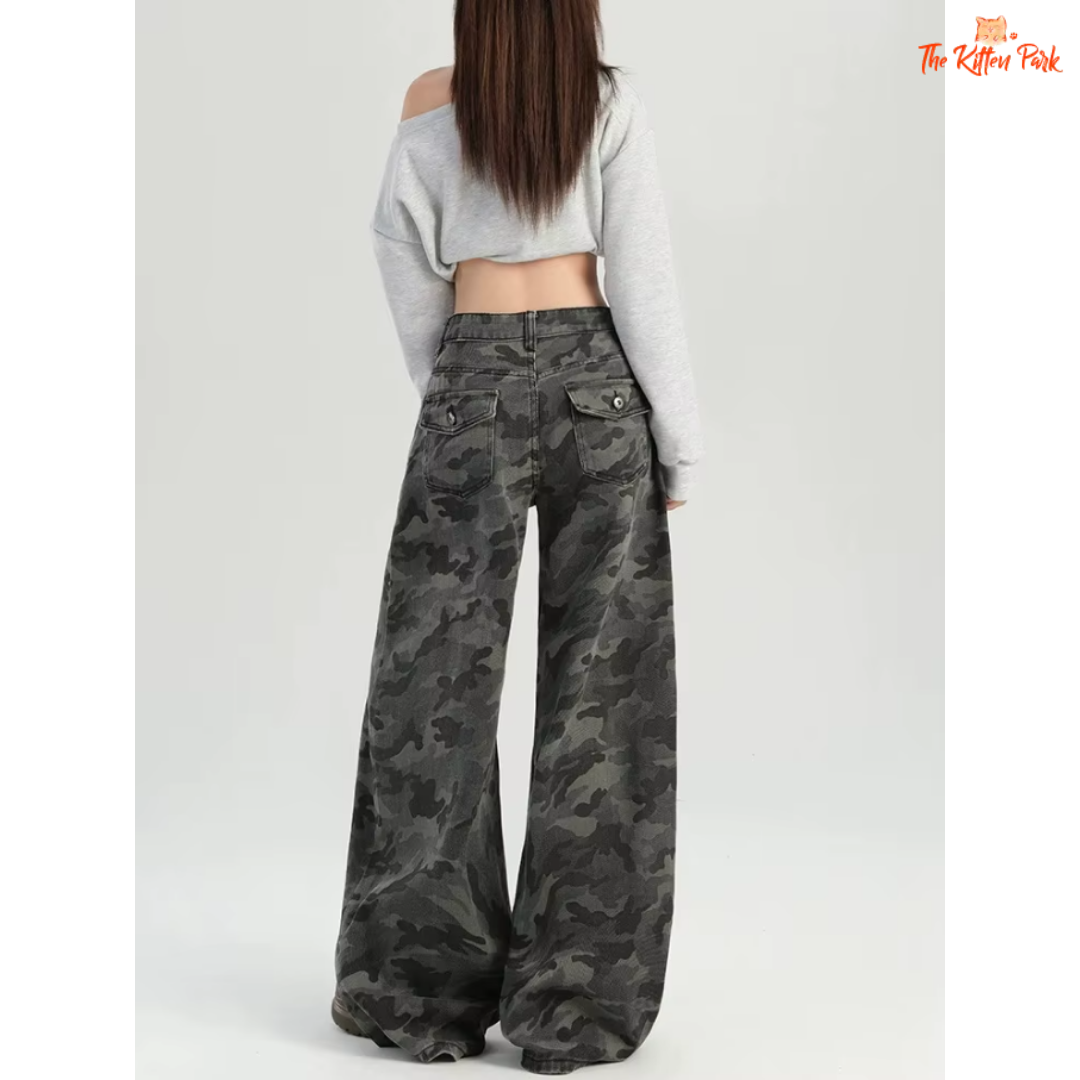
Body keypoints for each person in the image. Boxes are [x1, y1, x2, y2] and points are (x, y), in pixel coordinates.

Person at [331, 1, 704, 1073]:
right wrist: (676, 444)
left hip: (474, 375)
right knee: (607, 700)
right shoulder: (607, 100)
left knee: (430, 694)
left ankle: (417, 994)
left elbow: (403, 259)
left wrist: (456, 389)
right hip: (600, 389)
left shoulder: (429, 101)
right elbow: (642, 276)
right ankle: (578, 1005)